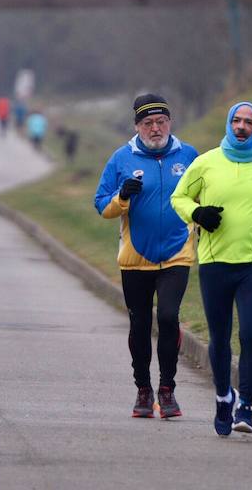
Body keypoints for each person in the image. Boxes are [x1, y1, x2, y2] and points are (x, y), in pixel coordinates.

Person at [170, 101, 252, 436]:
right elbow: (179, 198)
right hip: (214, 261)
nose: (241, 127)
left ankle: (246, 405)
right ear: (228, 124)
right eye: (236, 120)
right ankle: (224, 396)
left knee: (250, 333)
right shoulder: (206, 163)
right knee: (219, 336)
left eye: (248, 122)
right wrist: (198, 214)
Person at [94, 94, 199, 418]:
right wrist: (122, 196)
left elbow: (206, 195)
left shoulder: (190, 156)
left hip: (177, 254)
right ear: (137, 126)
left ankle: (167, 390)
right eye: (148, 123)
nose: (155, 128)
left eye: (161, 121)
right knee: (139, 324)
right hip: (135, 258)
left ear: (170, 122)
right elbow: (101, 204)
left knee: (168, 317)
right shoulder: (121, 158)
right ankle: (143, 389)